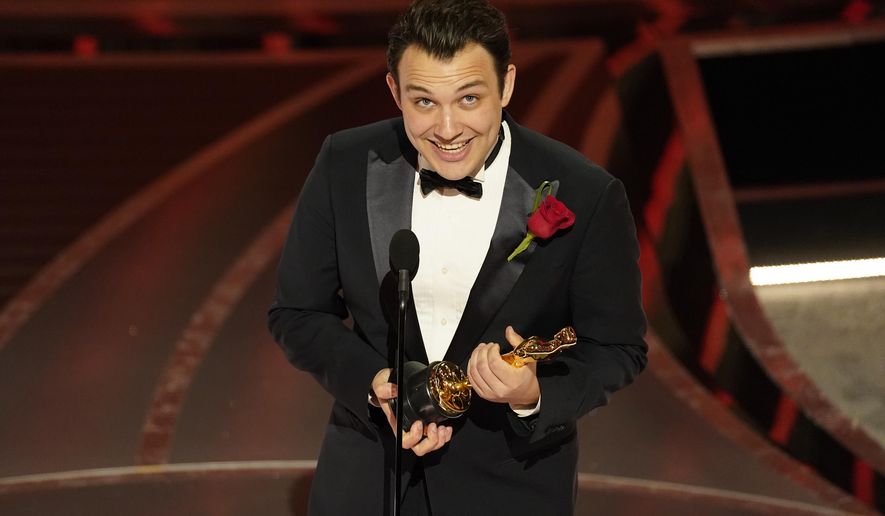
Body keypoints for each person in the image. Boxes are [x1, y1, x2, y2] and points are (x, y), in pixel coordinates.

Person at [267, 0, 647, 514]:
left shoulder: (586, 192)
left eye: (469, 99)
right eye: (423, 102)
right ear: (394, 91)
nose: (447, 129)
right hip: (366, 479)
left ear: (507, 85)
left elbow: (618, 347)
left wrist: (531, 394)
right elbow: (297, 313)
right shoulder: (345, 163)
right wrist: (375, 385)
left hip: (511, 486)